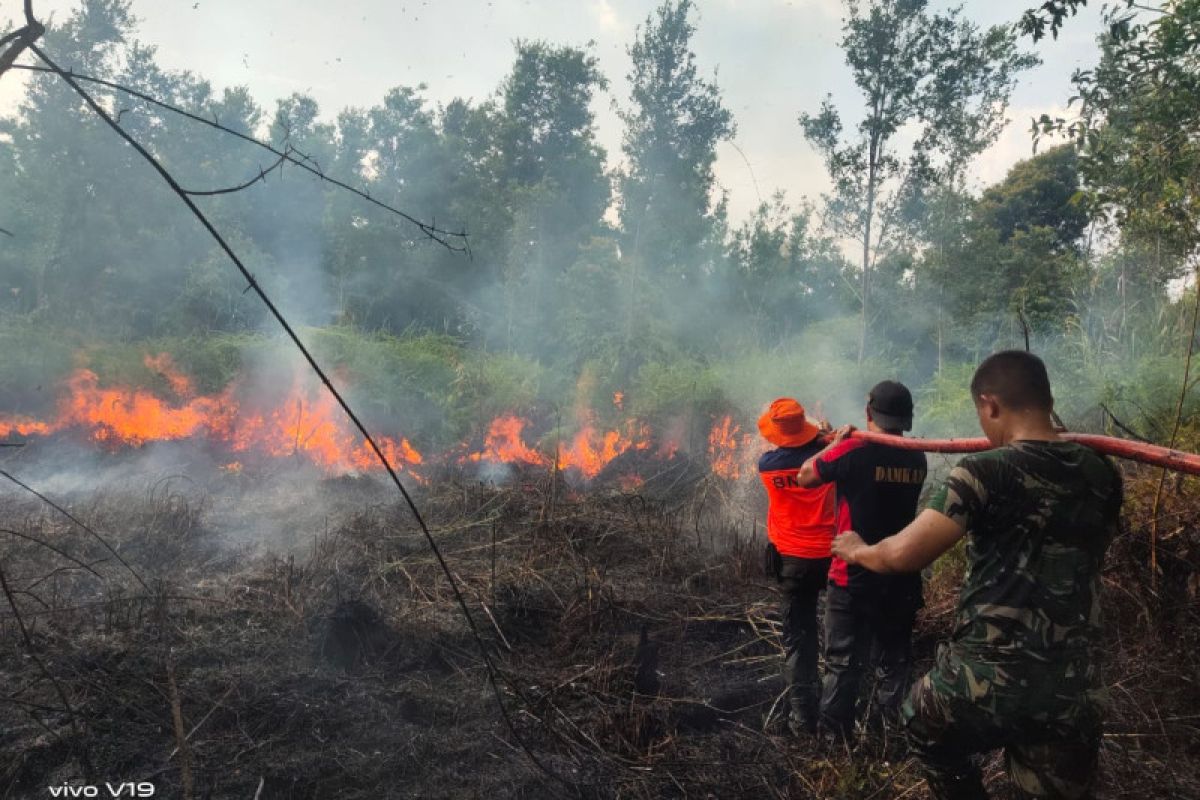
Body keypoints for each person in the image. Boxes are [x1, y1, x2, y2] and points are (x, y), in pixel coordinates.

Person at [830, 351, 1123, 799]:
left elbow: (905, 554)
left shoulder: (985, 470)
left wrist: (859, 549)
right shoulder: (1103, 472)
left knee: (919, 719)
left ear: (990, 405)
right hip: (1074, 686)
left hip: (989, 677)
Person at [796, 380, 928, 739]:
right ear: (907, 418)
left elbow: (805, 475)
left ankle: (833, 743)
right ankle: (891, 738)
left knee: (842, 663)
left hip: (852, 577)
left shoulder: (854, 449)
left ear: (869, 413)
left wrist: (839, 441)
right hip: (900, 577)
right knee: (894, 665)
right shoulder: (917, 456)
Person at [756, 397, 837, 735]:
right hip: (834, 557)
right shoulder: (829, 459)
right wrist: (827, 436)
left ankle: (803, 719)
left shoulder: (767, 466)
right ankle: (838, 716)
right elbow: (827, 451)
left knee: (799, 639)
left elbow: (789, 454)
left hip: (792, 563)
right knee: (840, 636)